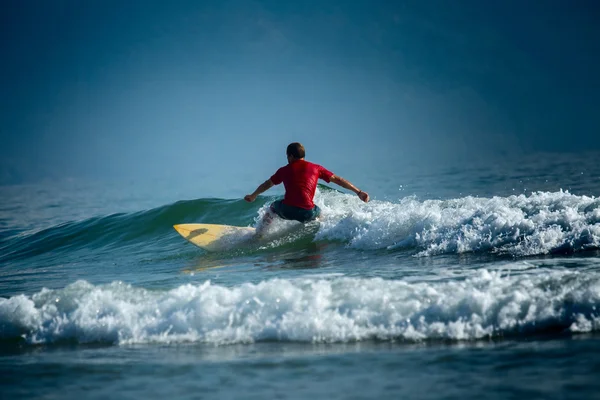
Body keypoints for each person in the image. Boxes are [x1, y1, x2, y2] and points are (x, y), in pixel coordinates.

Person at [244, 142, 369, 232]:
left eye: (287, 156)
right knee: (319, 213)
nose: (287, 159)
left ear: (291, 156)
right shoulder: (316, 168)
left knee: (272, 209)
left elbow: (268, 183)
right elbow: (338, 180)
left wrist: (253, 195)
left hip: (287, 210)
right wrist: (358, 192)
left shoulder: (284, 170)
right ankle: (323, 233)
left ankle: (259, 235)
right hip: (308, 213)